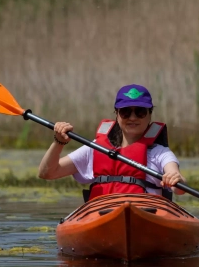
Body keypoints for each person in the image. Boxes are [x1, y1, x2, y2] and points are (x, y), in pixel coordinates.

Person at [38, 84, 186, 202]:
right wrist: (59, 142)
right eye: (126, 112)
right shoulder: (95, 148)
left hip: (147, 214)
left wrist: (176, 180)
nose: (133, 117)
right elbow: (47, 173)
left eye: (140, 112)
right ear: (116, 114)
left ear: (150, 114)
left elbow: (178, 184)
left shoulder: (159, 152)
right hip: (101, 214)